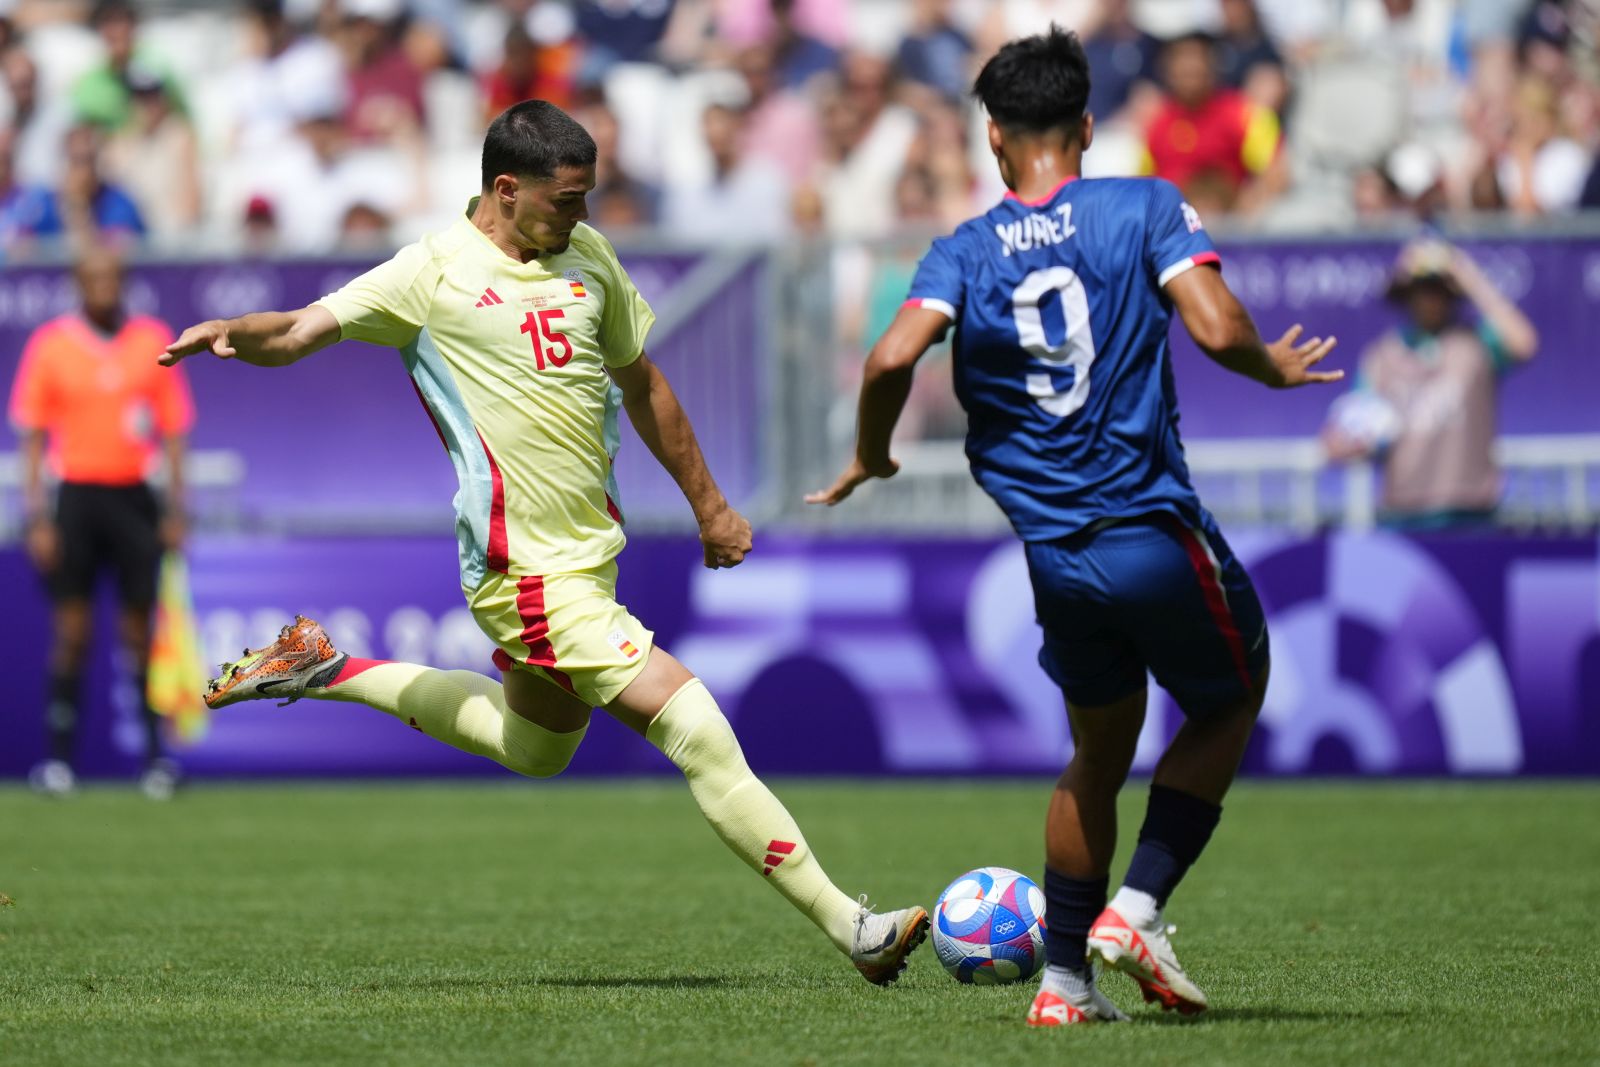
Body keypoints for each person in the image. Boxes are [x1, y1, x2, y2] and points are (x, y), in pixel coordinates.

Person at [160, 99, 928, 984]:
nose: (583, 216)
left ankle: (326, 667)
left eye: (587, 197)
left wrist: (712, 505)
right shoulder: (431, 274)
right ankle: (853, 928)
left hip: (587, 562)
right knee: (698, 728)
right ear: (505, 189)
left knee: (537, 748)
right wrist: (232, 333)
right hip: (521, 571)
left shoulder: (586, 258)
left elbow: (645, 384)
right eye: (566, 200)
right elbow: (297, 329)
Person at [809, 28, 1341, 1026]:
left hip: (1054, 555)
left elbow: (887, 360)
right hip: (1147, 521)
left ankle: (1061, 985)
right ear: (1088, 128)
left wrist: (875, 454)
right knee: (1229, 700)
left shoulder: (961, 249)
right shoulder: (1140, 204)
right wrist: (1271, 364)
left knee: (1096, 752)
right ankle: (1134, 908)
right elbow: (1219, 327)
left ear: (995, 137)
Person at [8, 255, 192, 799]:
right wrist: (38, 515)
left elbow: (175, 429)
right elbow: (33, 436)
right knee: (73, 632)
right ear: (78, 285)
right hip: (78, 499)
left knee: (139, 633)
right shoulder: (52, 346)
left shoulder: (151, 339)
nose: (105, 288)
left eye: (113, 278)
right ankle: (59, 760)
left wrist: (177, 509)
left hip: (135, 496)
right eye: (95, 279)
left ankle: (155, 759)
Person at [1322, 240, 1538, 529]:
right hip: (1403, 517)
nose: (1430, 298)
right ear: (1407, 294)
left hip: (1471, 513)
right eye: (1421, 288)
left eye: (1439, 289)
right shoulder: (1382, 357)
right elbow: (1345, 433)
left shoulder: (1477, 343)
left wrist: (1468, 276)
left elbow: (1525, 343)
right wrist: (1344, 444)